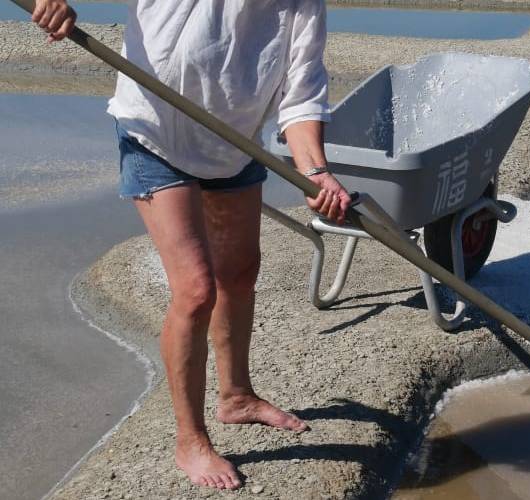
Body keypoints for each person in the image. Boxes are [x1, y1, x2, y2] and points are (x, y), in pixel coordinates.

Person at [32, 0, 350, 490]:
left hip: (234, 143)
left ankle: (237, 397)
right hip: (155, 134)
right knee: (197, 290)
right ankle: (191, 439)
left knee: (240, 273)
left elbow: (302, 95)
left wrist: (316, 171)